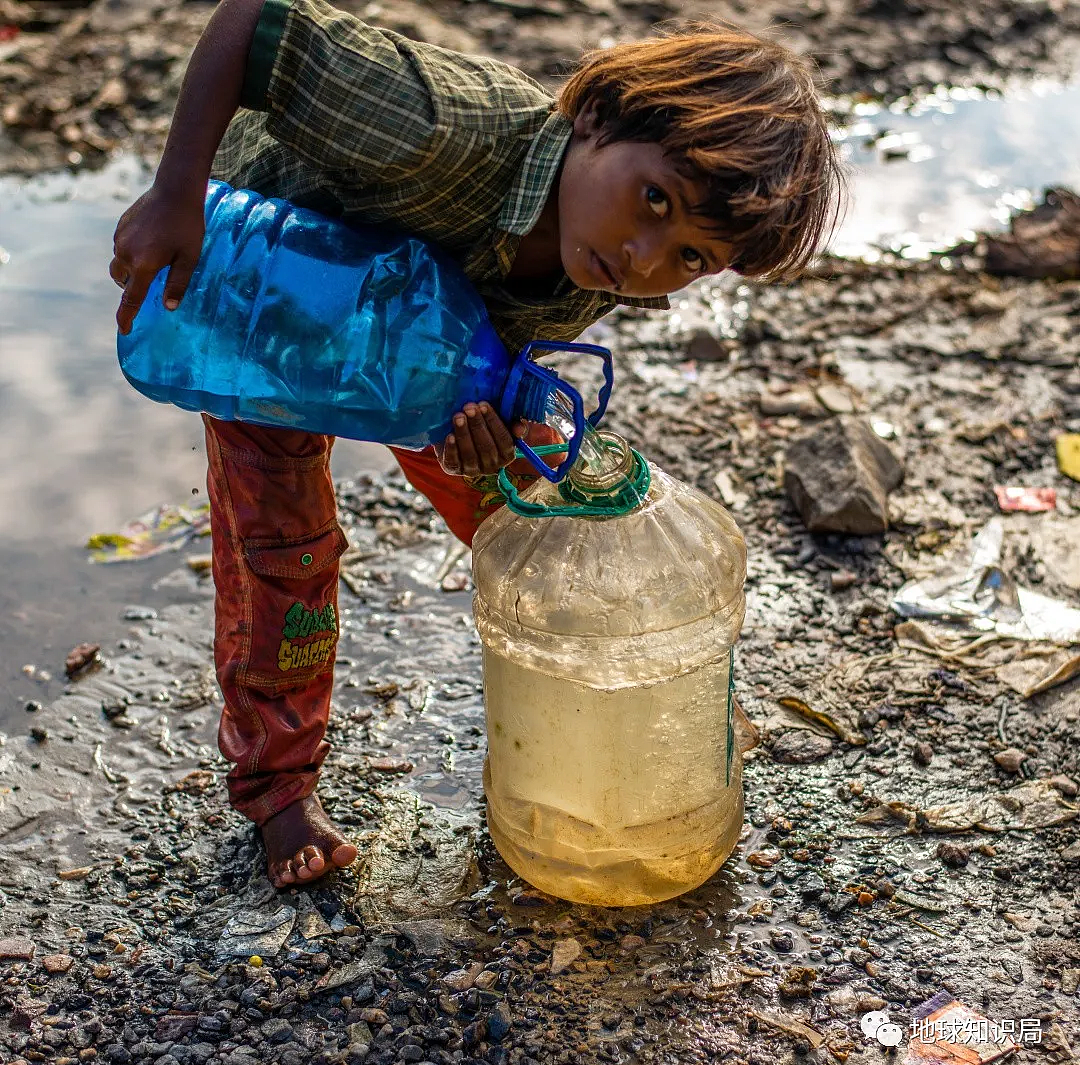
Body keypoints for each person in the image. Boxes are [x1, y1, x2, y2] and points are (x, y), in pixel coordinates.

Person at [110, 0, 844, 888]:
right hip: (267, 303)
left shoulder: (602, 257)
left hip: (420, 336)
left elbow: (483, 362)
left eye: (691, 258)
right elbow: (252, 24)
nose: (646, 259)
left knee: (529, 504)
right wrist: (175, 195)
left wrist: (473, 441)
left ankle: (588, 713)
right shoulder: (439, 128)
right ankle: (277, 787)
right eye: (655, 200)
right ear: (600, 119)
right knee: (284, 552)